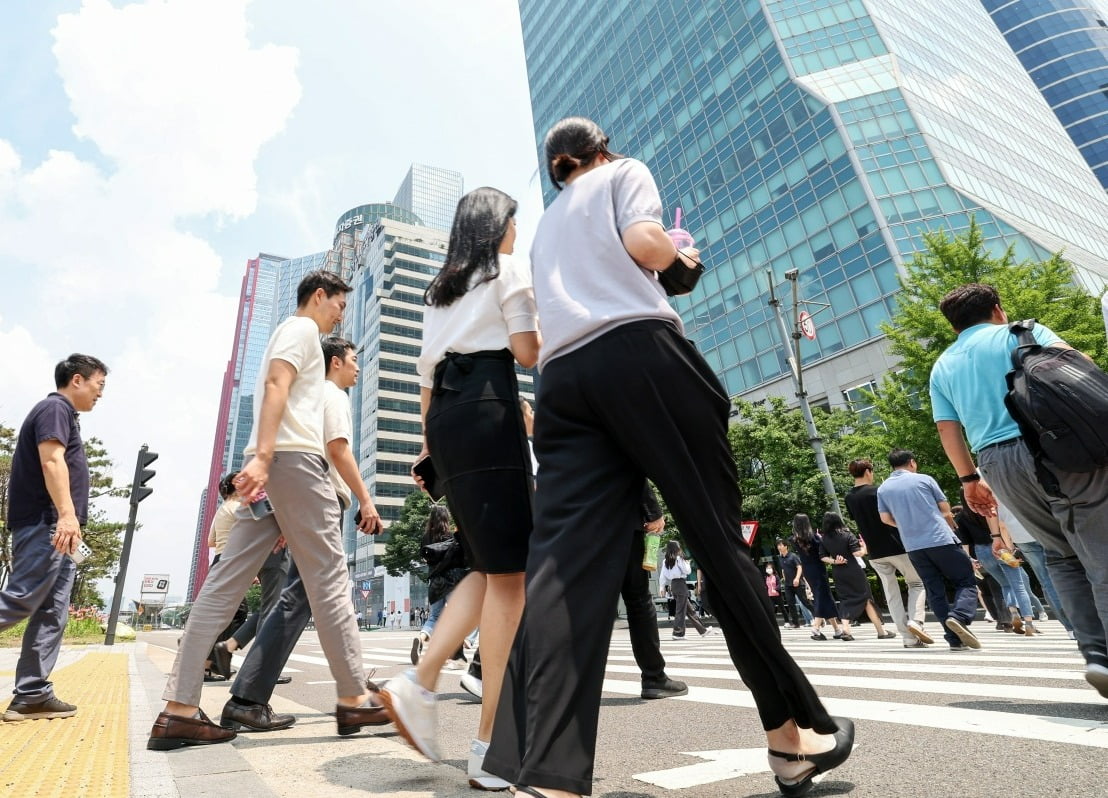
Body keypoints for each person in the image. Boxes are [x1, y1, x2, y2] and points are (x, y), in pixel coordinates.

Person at [483, 117, 852, 798]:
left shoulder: (545, 230)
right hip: (641, 355)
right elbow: (645, 245)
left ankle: (545, 772)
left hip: (563, 385)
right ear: (600, 152)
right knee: (717, 537)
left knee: (562, 570)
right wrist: (682, 259)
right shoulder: (624, 174)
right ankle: (790, 736)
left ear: (555, 165)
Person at [148, 272, 384, 750]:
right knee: (330, 580)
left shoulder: (294, 337)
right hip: (294, 464)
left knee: (222, 585)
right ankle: (355, 697)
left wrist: (261, 459)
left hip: (273, 472)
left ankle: (179, 710)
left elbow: (280, 389)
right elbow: (276, 383)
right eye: (339, 303)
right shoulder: (301, 331)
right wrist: (264, 457)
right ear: (319, 297)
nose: (341, 312)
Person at [379, 186, 541, 792]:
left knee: (486, 563)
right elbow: (526, 352)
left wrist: (429, 450)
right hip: (487, 410)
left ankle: (421, 683)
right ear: (499, 226)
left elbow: (425, 376)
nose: (518, 234)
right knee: (512, 577)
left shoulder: (442, 287)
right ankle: (489, 746)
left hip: (446, 422)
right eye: (514, 224)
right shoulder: (507, 268)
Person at [929, 283, 1107, 694]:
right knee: (1101, 550)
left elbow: (946, 427)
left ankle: (1097, 654)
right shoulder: (1022, 332)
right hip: (1058, 444)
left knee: (1060, 555)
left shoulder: (943, 366)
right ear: (997, 308)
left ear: (953, 325)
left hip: (996, 463)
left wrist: (969, 479)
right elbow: (1081, 364)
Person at [218, 335, 385, 734]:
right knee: (315, 594)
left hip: (309, 503)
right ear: (334, 363)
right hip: (322, 504)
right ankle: (352, 696)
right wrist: (366, 500)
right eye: (353, 359)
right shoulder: (332, 395)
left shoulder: (312, 397)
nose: (358, 367)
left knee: (301, 598)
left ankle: (252, 697)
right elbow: (339, 450)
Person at [1, 354, 107, 722]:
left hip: (61, 531)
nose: (100, 394)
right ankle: (32, 692)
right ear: (77, 380)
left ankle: (32, 695)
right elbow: (51, 461)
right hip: (47, 523)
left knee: (52, 611)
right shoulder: (54, 409)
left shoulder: (65, 415)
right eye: (99, 385)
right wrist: (66, 514)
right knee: (20, 600)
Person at [876, 449, 980, 651]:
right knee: (966, 580)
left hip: (914, 546)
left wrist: (906, 525)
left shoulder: (883, 489)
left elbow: (885, 519)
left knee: (934, 590)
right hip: (940, 538)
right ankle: (958, 616)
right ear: (912, 463)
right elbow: (945, 508)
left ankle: (954, 640)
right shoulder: (924, 479)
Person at [844, 459, 931, 647]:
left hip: (875, 552)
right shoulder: (879, 490)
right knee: (917, 583)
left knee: (891, 593)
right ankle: (916, 622)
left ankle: (908, 638)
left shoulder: (849, 497)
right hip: (897, 545)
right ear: (868, 471)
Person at [818, 513, 895, 641]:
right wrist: (864, 548)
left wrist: (835, 562)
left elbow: (822, 557)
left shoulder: (824, 539)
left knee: (845, 599)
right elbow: (857, 553)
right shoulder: (847, 534)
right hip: (853, 571)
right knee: (866, 599)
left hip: (838, 572)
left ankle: (846, 630)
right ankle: (881, 631)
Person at [790, 514, 843, 641]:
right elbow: (823, 550)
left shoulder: (794, 539)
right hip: (818, 569)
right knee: (821, 596)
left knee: (825, 597)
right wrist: (820, 537)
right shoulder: (814, 538)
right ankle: (816, 626)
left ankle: (836, 629)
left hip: (807, 570)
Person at [659, 541, 713, 639]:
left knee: (690, 611)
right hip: (680, 584)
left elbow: (662, 576)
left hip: (673, 585)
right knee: (680, 610)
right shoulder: (679, 559)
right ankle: (678, 633)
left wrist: (662, 587)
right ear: (677, 548)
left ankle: (702, 631)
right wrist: (687, 563)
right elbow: (687, 571)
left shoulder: (665, 561)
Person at [775, 539, 808, 628]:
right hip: (788, 585)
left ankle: (819, 618)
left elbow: (799, 567)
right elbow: (783, 569)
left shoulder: (793, 556)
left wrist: (797, 578)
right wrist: (785, 579)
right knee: (790, 603)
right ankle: (796, 623)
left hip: (798, 583)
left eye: (781, 545)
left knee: (805, 602)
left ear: (786, 546)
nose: (779, 547)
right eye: (778, 545)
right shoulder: (780, 558)